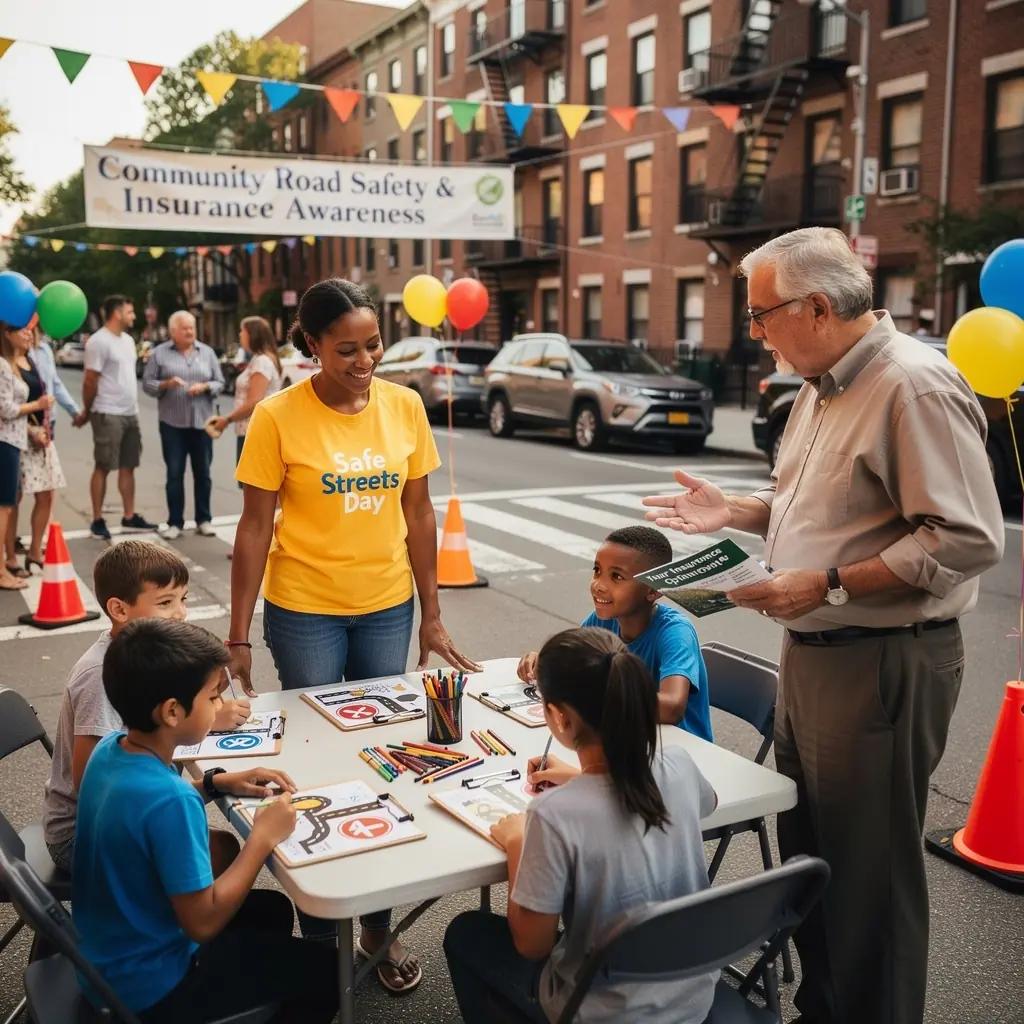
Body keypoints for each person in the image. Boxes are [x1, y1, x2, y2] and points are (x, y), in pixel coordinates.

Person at [643, 226, 1004, 1024]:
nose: (754, 331)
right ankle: (826, 1007)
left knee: (869, 878)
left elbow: (969, 539)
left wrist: (830, 584)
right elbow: (822, 506)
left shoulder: (914, 387)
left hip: (880, 660)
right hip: (813, 647)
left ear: (815, 306)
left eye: (761, 314)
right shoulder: (818, 380)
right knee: (814, 857)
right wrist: (735, 511)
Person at [229, 277, 479, 993]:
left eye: (374, 344)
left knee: (377, 759)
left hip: (385, 607)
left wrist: (431, 613)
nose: (365, 360)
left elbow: (421, 514)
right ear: (310, 346)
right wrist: (238, 633)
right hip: (304, 608)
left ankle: (376, 927)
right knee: (320, 765)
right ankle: (324, 934)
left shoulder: (403, 406)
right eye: (347, 349)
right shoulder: (278, 416)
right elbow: (253, 528)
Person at [444, 627, 718, 1024]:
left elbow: (532, 945)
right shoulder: (678, 765)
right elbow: (704, 803)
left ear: (559, 718)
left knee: (466, 932)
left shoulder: (553, 816)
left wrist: (520, 840)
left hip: (600, 1010)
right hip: (690, 994)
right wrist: (582, 780)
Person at [72, 617, 340, 1023]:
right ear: (173, 711)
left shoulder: (111, 750)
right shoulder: (170, 799)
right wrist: (261, 839)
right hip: (152, 988)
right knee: (328, 972)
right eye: (213, 698)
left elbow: (144, 812)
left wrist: (216, 782)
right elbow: (202, 922)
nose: (219, 707)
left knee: (271, 912)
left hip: (104, 959)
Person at [42, 540, 252, 873]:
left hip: (129, 809)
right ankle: (161, 917)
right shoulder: (99, 674)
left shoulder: (145, 655)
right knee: (218, 850)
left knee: (220, 846)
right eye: (165, 602)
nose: (180, 613)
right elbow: (91, 784)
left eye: (182, 599)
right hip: (84, 835)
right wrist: (209, 718)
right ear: (119, 610)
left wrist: (213, 778)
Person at [518, 526, 712, 741]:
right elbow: (569, 663)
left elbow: (672, 707)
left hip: (681, 751)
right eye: (597, 570)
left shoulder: (675, 632)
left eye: (616, 576)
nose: (598, 585)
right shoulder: (602, 620)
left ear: (653, 590)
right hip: (627, 739)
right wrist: (543, 663)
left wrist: (594, 698)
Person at [142, 310, 225, 540]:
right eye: (185, 328)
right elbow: (147, 384)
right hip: (172, 423)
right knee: (175, 473)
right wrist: (166, 384)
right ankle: (175, 521)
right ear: (173, 332)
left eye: (192, 327)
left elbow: (220, 382)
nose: (190, 331)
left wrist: (205, 387)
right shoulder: (159, 354)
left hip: (202, 422)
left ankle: (204, 519)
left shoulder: (207, 352)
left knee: (203, 473)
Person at [82, 295, 157, 541]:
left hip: (129, 412)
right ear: (117, 313)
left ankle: (129, 516)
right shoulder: (98, 342)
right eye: (130, 311)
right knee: (103, 465)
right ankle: (96, 519)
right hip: (107, 411)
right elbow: (90, 380)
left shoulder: (127, 340)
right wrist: (87, 410)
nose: (133, 316)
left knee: (129, 465)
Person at [3, 325, 69, 576]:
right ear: (7, 335)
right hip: (18, 437)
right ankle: (10, 558)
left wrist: (44, 426)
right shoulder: (6, 364)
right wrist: (35, 416)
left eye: (31, 330)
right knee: (13, 499)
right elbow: (8, 408)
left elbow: (51, 389)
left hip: (40, 436)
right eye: (23, 330)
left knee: (46, 494)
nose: (30, 334)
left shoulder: (33, 358)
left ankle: (34, 552)